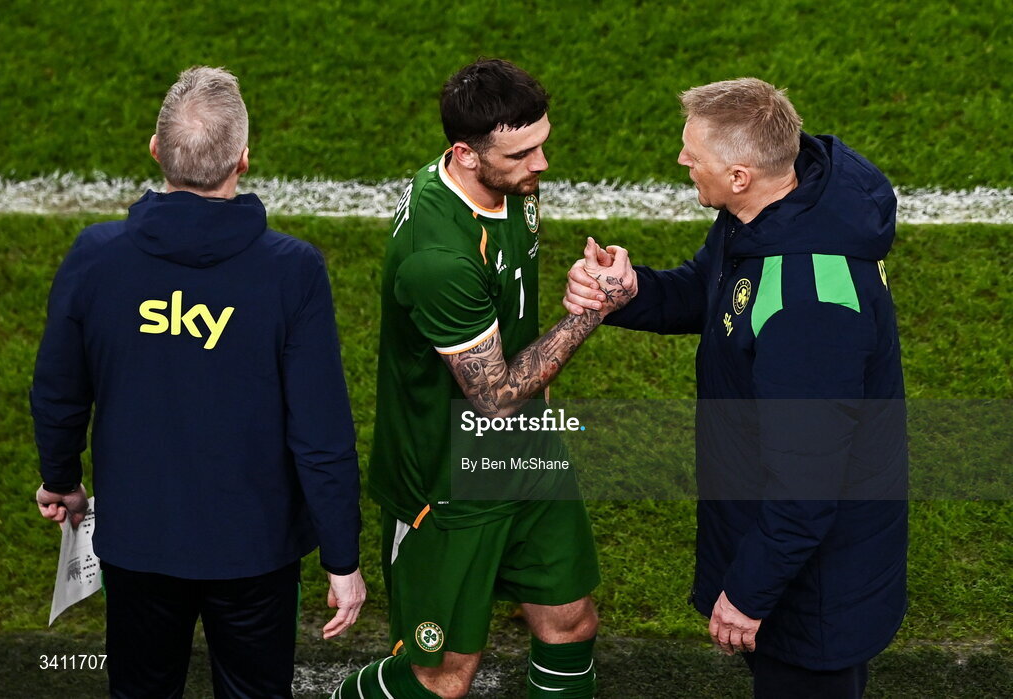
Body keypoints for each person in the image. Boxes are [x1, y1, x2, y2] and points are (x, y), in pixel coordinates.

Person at [564, 78, 908, 698]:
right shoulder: (771, 213)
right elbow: (713, 291)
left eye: (695, 156)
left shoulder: (810, 310)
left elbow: (806, 488)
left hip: (813, 592)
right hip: (786, 551)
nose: (682, 163)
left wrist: (749, 596)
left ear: (742, 175)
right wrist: (632, 290)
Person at [31, 66, 365, 698]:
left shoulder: (95, 257)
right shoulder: (291, 271)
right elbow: (321, 431)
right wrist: (341, 559)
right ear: (244, 158)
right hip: (256, 550)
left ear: (156, 150)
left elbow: (58, 391)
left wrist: (61, 479)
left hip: (138, 539)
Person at [334, 58, 631, 699]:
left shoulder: (509, 187)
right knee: (444, 675)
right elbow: (493, 395)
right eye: (523, 153)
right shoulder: (439, 259)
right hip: (448, 479)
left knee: (571, 621)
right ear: (465, 154)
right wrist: (591, 312)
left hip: (528, 452)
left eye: (543, 143)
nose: (542, 164)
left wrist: (579, 287)